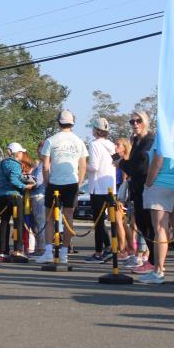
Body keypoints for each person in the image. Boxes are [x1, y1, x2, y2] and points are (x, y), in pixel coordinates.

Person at [36, 110, 88, 264]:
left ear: (58, 122)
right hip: (71, 183)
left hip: (54, 182)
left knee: (49, 218)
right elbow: (83, 166)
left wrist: (47, 182)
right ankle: (64, 253)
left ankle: (48, 252)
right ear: (72, 123)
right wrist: (79, 184)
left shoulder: (51, 140)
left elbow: (45, 165)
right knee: (68, 217)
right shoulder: (79, 141)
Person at [139, 144, 174, 284]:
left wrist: (147, 184)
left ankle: (158, 271)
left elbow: (157, 162)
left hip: (162, 184)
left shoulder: (162, 135)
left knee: (160, 228)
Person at [117, 110, 155, 269]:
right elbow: (133, 166)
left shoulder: (149, 141)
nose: (135, 124)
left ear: (145, 122)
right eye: (132, 121)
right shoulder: (136, 141)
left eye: (138, 121)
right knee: (141, 224)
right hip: (137, 190)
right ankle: (150, 262)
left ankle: (154, 262)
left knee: (150, 226)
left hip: (148, 188)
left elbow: (140, 167)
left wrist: (121, 163)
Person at [0, 142, 35, 256]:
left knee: (4, 221)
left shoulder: (2, 163)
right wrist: (25, 186)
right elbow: (13, 180)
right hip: (14, 196)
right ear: (17, 153)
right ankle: (18, 249)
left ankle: (3, 250)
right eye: (21, 152)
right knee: (18, 222)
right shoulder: (16, 164)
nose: (22, 154)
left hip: (1, 195)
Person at [85, 117, 117, 262]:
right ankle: (110, 248)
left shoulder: (94, 144)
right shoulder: (112, 145)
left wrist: (81, 164)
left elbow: (94, 166)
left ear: (96, 130)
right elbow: (116, 162)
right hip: (111, 188)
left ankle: (99, 253)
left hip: (98, 188)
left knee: (98, 221)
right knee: (113, 221)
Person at [28, 142, 47, 255]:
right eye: (38, 150)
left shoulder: (44, 164)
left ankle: (42, 248)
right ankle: (39, 247)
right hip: (35, 196)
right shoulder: (39, 164)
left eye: (41, 151)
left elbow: (37, 181)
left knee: (40, 223)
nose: (39, 153)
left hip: (40, 196)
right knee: (35, 223)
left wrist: (26, 182)